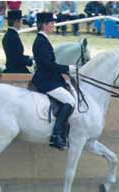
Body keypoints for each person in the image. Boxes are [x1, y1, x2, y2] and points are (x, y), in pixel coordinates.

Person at [32, 12, 77, 150]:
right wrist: (68, 68)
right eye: (51, 23)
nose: (53, 25)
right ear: (44, 25)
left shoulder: (43, 39)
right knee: (70, 101)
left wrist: (62, 73)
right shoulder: (41, 41)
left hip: (49, 77)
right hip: (45, 81)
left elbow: (50, 64)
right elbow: (47, 65)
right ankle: (56, 135)